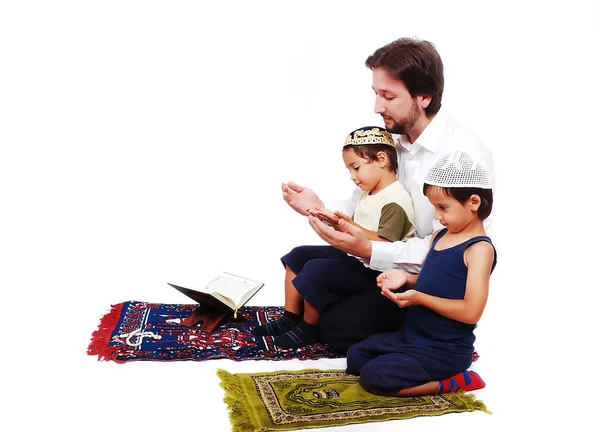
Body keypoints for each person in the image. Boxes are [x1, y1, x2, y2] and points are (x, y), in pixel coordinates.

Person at [281, 37, 496, 354]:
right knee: (302, 258)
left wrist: (369, 250)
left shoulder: (462, 157)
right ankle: (298, 319)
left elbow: (450, 248)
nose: (377, 107)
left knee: (336, 330)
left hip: (415, 279)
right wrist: (321, 208)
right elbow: (365, 199)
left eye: (388, 96)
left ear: (424, 97)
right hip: (381, 254)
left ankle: (393, 331)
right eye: (376, 94)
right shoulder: (395, 140)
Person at [346, 150, 496, 396]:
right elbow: (434, 280)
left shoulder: (479, 249)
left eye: (443, 207)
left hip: (444, 349)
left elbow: (471, 311)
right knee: (356, 357)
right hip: (413, 336)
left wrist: (418, 298)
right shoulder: (440, 236)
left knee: (374, 378)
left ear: (473, 202)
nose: (437, 216)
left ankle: (456, 381)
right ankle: (407, 360)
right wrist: (405, 277)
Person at [252, 126, 416, 348]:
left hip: (377, 271)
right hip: (357, 257)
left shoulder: (396, 200)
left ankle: (308, 328)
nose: (352, 177)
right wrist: (323, 213)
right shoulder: (369, 193)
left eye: (356, 168)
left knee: (317, 270)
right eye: (349, 170)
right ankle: (290, 317)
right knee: (298, 256)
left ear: (381, 159)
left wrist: (344, 225)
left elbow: (383, 244)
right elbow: (352, 225)